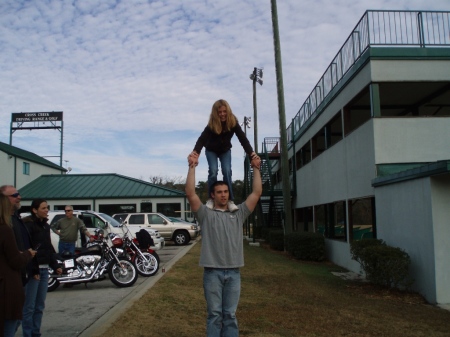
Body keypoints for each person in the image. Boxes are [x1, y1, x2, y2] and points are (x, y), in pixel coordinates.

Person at [185, 153, 262, 336]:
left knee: (230, 315)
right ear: (213, 194)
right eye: (219, 192)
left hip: (234, 272)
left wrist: (256, 168)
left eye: (226, 191)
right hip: (212, 271)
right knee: (214, 315)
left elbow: (256, 193)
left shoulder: (239, 213)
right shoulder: (205, 214)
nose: (223, 195)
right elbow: (190, 193)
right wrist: (192, 166)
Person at [188, 99, 261, 212]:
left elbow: (243, 139)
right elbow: (202, 139)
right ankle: (211, 199)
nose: (222, 114)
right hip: (211, 150)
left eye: (224, 111)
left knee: (227, 171)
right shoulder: (212, 123)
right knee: (213, 171)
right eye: (219, 112)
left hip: (225, 151)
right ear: (215, 113)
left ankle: (230, 200)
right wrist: (195, 153)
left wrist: (252, 155)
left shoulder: (232, 122)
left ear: (228, 111)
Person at [21, 199, 62, 337]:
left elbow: (48, 248)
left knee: (39, 306)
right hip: (33, 272)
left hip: (45, 271)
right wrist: (33, 270)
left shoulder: (45, 226)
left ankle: (36, 333)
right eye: (43, 208)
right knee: (29, 307)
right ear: (34, 210)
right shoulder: (28, 225)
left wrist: (55, 265)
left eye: (47, 208)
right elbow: (27, 249)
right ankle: (28, 334)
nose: (46, 210)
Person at [0, 193, 36, 337]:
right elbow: (15, 260)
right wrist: (27, 254)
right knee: (10, 327)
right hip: (7, 289)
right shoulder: (5, 229)